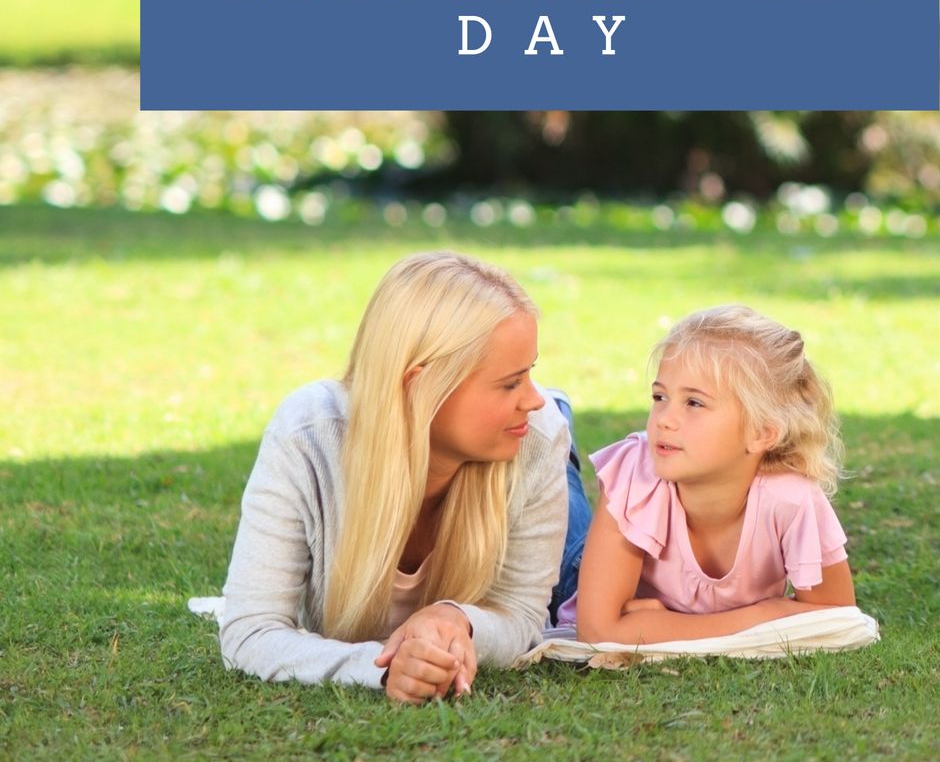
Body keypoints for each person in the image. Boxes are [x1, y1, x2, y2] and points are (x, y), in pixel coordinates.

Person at [219, 251, 590, 702]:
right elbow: (250, 631)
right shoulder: (308, 435)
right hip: (489, 440)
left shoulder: (537, 432)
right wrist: (380, 667)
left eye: (529, 374)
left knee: (580, 581)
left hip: (524, 454)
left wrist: (459, 619)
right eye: (510, 383)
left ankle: (559, 418)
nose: (529, 399)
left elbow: (522, 615)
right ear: (421, 386)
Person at [560, 304, 855, 643]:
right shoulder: (638, 472)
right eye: (660, 396)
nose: (664, 419)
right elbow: (598, 631)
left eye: (694, 403)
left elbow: (837, 617)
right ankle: (555, 415)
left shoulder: (792, 500)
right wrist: (770, 612)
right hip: (576, 573)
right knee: (563, 508)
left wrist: (660, 624)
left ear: (761, 433)